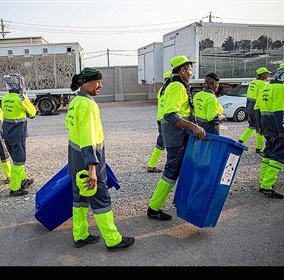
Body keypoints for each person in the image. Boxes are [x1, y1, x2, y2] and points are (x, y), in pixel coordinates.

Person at [66, 67, 135, 251]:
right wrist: (92, 168)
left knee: (79, 198)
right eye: (97, 82)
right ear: (85, 83)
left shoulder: (75, 102)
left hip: (75, 160)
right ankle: (113, 240)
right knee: (100, 198)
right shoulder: (88, 105)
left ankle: (79, 235)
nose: (100, 85)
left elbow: (73, 131)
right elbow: (88, 138)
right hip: (87, 161)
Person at [147, 55, 206, 220]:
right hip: (176, 137)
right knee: (171, 171)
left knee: (176, 170)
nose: (191, 73)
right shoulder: (177, 87)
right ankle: (154, 208)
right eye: (190, 69)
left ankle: (169, 203)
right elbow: (170, 115)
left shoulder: (170, 85)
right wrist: (194, 127)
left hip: (176, 136)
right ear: (182, 70)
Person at [255, 61, 284, 199]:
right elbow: (279, 110)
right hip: (277, 126)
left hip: (267, 125)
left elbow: (257, 108)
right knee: (279, 155)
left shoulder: (266, 87)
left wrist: (260, 126)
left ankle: (263, 181)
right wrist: (283, 129)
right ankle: (267, 186)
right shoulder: (280, 88)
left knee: (268, 153)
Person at [1, 73, 36, 197]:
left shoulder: (5, 98)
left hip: (7, 134)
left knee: (16, 159)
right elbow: (32, 113)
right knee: (19, 161)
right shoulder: (22, 99)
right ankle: (15, 188)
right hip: (18, 134)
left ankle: (23, 180)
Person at [239, 67, 272, 153]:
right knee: (259, 128)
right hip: (257, 109)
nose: (267, 75)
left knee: (251, 126)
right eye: (266, 73)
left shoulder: (252, 82)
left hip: (250, 108)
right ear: (261, 74)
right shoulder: (263, 84)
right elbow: (262, 98)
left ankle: (241, 140)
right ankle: (259, 148)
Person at [146, 70, 172, 173]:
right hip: (167, 121)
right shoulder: (170, 90)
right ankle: (151, 165)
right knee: (165, 144)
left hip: (160, 119)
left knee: (162, 143)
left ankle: (152, 164)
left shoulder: (161, 90)